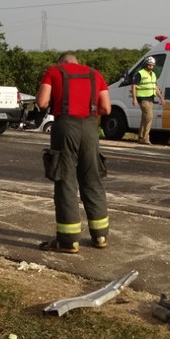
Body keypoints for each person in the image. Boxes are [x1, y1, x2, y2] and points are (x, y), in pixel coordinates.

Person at [35, 53, 111, 253]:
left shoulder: (54, 71)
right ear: (77, 62)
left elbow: (42, 102)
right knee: (92, 179)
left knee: (66, 181)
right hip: (90, 128)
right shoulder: (96, 74)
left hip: (65, 126)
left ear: (62, 63)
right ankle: (100, 236)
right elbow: (106, 107)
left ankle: (69, 241)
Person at [131, 56, 163, 144]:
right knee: (150, 117)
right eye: (149, 65)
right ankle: (146, 138)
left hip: (150, 98)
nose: (151, 67)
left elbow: (155, 87)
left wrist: (161, 98)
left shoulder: (153, 74)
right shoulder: (140, 73)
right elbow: (133, 86)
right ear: (146, 64)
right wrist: (134, 99)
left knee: (145, 118)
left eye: (152, 65)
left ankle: (141, 137)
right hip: (142, 98)